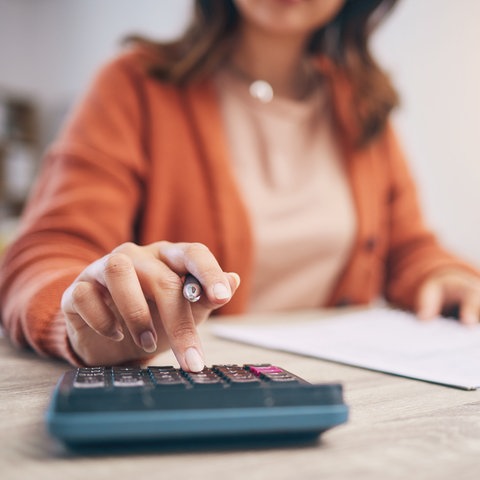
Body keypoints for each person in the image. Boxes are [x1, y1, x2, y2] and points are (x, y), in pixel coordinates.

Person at [1, 0, 479, 372]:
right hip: (195, 387)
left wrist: (442, 275)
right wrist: (82, 319)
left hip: (348, 392)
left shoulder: (361, 106)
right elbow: (43, 254)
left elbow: (410, 248)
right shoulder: (134, 87)